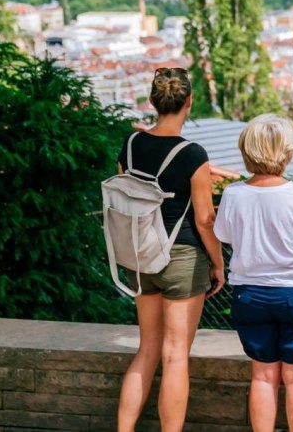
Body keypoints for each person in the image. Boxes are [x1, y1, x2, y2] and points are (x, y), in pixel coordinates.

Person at [115, 67, 225, 432]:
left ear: (153, 102)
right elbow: (205, 219)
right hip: (182, 256)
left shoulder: (130, 146)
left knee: (146, 350)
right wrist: (218, 263)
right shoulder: (193, 154)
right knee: (175, 355)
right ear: (189, 102)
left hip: (140, 254)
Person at [214, 114, 293, 432]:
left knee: (263, 374)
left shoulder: (232, 194)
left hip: (250, 293)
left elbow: (225, 236)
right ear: (287, 151)